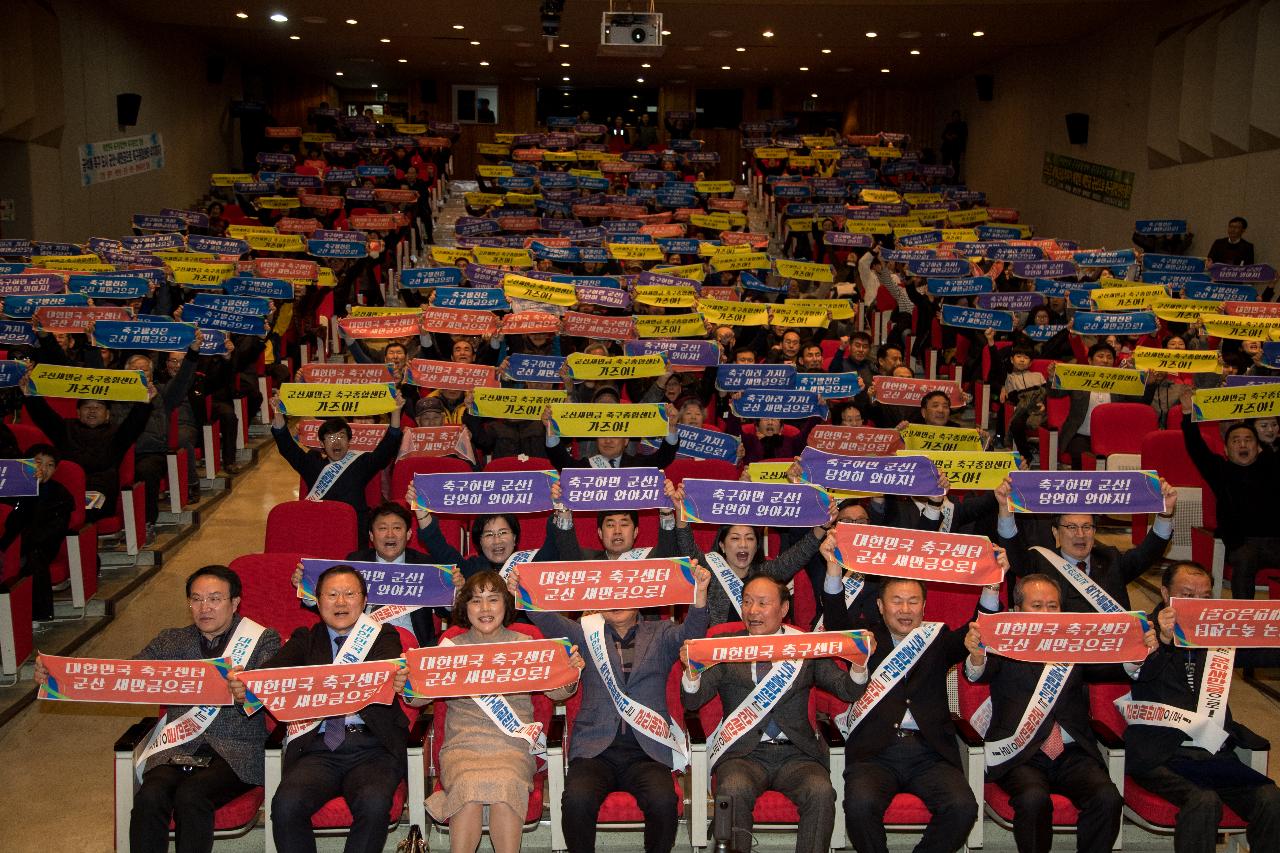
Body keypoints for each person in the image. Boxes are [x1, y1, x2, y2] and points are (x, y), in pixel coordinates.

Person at [34, 565, 282, 853]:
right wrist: (59, 674)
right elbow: (125, 674)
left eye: (215, 599)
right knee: (150, 796)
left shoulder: (262, 640)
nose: (205, 607)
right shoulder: (171, 640)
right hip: (178, 745)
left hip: (237, 750)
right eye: (196, 599)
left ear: (235, 602)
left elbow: (271, 690)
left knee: (191, 795)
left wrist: (245, 694)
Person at [507, 563, 711, 853]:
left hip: (648, 751)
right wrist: (522, 590)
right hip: (595, 750)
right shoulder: (584, 634)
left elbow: (693, 635)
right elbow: (548, 621)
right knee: (576, 801)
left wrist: (699, 594)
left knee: (664, 802)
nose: (616, 601)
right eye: (609, 595)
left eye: (624, 593)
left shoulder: (662, 632)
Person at [682, 574, 872, 853]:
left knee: (820, 792)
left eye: (762, 603)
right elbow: (693, 699)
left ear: (783, 609)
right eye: (747, 602)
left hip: (796, 753)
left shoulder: (805, 645)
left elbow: (847, 691)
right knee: (733, 790)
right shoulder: (725, 644)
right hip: (743, 754)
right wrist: (692, 672)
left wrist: (858, 665)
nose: (752, 611)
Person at [229, 565, 409, 853]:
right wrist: (244, 687)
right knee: (286, 805)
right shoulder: (306, 639)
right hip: (318, 749)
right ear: (318, 600)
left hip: (372, 748)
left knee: (374, 804)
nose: (340, 602)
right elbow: (268, 677)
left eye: (349, 594)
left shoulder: (383, 636)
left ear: (364, 601)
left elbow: (387, 672)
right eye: (332, 595)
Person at [826, 572, 1005, 853]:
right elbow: (835, 624)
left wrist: (992, 586)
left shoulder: (937, 638)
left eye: (913, 602)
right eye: (896, 601)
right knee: (860, 805)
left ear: (924, 606)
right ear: (881, 606)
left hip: (930, 754)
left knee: (963, 807)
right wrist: (834, 575)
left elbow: (977, 630)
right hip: (875, 754)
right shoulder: (867, 639)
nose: (905, 610)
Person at [964, 573, 1134, 853]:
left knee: (1107, 798)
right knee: (1033, 799)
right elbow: (976, 674)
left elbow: (1110, 667)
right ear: (1017, 611)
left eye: (1053, 606)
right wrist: (977, 657)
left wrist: (1135, 656)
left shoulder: (1075, 642)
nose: (1046, 613)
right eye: (1037, 606)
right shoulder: (1003, 644)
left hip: (1072, 752)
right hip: (1020, 753)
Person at [417, 571, 584, 853]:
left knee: (506, 784)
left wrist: (570, 675)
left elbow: (558, 693)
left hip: (512, 745)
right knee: (468, 787)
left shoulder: (526, 644)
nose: (485, 609)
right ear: (464, 607)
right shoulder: (449, 649)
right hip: (463, 746)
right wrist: (408, 685)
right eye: (475, 601)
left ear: (506, 604)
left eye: (493, 600)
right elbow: (418, 701)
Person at [1126, 560, 1280, 853]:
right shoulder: (1142, 628)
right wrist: (1165, 640)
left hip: (1212, 753)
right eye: (1188, 595)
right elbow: (1138, 671)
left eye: (1206, 596)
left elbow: (1263, 649)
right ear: (1164, 592)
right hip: (1161, 755)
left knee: (1271, 800)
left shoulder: (1219, 630)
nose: (1198, 603)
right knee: (1203, 800)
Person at [995, 476, 1177, 612]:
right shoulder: (1040, 561)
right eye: (1071, 527)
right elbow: (1013, 551)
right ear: (1055, 532)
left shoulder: (1111, 559)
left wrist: (1165, 513)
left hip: (1106, 654)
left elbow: (1148, 553)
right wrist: (1005, 509)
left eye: (1087, 527)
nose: (1080, 534)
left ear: (1095, 531)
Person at [1178, 384, 1280, 598]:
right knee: (1245, 559)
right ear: (1226, 449)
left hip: (1275, 540)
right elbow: (1196, 447)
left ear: (1258, 447)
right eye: (1236, 441)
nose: (1242, 444)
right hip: (1241, 543)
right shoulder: (1220, 470)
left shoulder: (1271, 466)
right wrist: (1188, 414)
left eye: (1248, 440)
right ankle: (1243, 617)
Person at [22, 378, 156, 523]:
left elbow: (134, 423)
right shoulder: (65, 429)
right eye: (87, 407)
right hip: (67, 488)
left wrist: (144, 402)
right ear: (78, 413)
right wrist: (30, 395)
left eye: (98, 407)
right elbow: (44, 416)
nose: (92, 410)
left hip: (100, 489)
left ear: (107, 415)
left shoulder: (117, 434)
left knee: (82, 513)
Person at [270, 393, 405, 534]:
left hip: (354, 528)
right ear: (322, 443)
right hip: (321, 527)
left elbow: (387, 447)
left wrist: (396, 412)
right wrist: (278, 411)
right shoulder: (312, 463)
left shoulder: (361, 462)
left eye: (341, 436)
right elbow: (287, 447)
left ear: (349, 442)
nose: (337, 441)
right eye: (331, 438)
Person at [0, 444, 74, 624]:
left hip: (43, 545)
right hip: (14, 543)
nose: (43, 469)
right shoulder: (13, 489)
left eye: (50, 465)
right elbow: (12, 523)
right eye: (38, 463)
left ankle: (38, 615)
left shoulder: (60, 493)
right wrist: (28, 490)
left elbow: (51, 529)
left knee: (33, 556)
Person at [1045, 343, 1143, 469]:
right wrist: (1053, 376)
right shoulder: (1077, 377)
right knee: (1079, 455)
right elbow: (1055, 394)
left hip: (1112, 436)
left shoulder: (1121, 381)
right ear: (1090, 360)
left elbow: (1140, 400)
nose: (1105, 360)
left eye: (1109, 357)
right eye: (1100, 356)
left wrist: (1147, 382)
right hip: (1080, 434)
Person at [542, 403, 680, 470]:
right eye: (602, 436)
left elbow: (664, 457)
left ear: (626, 440)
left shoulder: (640, 464)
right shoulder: (585, 466)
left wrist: (671, 427)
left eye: (614, 436)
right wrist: (551, 429)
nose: (607, 440)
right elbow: (561, 461)